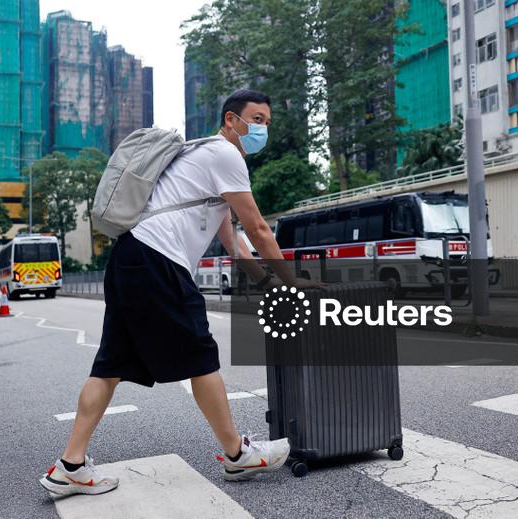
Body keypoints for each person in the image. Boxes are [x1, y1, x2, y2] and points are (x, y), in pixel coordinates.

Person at [39, 89, 318, 497]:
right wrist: (291, 283)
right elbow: (257, 227)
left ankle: (70, 467)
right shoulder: (226, 155)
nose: (262, 129)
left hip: (131, 258)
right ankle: (238, 455)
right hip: (158, 261)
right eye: (256, 120)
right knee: (201, 356)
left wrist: (266, 283)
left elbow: (233, 243)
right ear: (230, 120)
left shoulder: (204, 162)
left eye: (267, 123)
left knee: (110, 366)